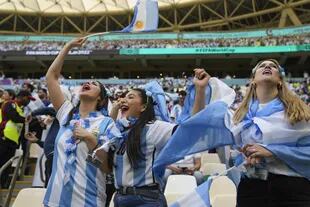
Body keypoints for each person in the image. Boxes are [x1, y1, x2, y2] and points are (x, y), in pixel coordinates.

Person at [167, 59, 310, 207]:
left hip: (292, 189)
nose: (268, 66)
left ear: (280, 80)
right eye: (262, 66)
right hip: (251, 188)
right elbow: (200, 123)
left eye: (273, 66)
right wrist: (201, 89)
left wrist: (272, 152)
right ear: (253, 80)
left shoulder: (298, 113)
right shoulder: (240, 117)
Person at [43, 37, 120, 207]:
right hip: (55, 200)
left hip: (88, 200)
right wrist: (67, 46)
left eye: (94, 84)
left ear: (100, 98)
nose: (88, 83)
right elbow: (51, 77)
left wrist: (91, 140)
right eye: (87, 82)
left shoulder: (107, 123)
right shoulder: (67, 114)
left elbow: (108, 168)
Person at [94, 85, 177, 207]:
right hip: (119, 199)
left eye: (130, 97)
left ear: (143, 107)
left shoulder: (153, 127)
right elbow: (103, 167)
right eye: (123, 97)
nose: (123, 100)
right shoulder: (118, 133)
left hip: (146, 200)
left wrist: (200, 91)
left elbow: (186, 131)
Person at [0, 90, 35, 187]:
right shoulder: (10, 104)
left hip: (13, 142)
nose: (29, 102)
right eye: (28, 99)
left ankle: (4, 186)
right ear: (22, 97)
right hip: (3, 138)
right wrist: (25, 120)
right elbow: (13, 117)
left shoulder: (21, 110)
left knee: (7, 165)